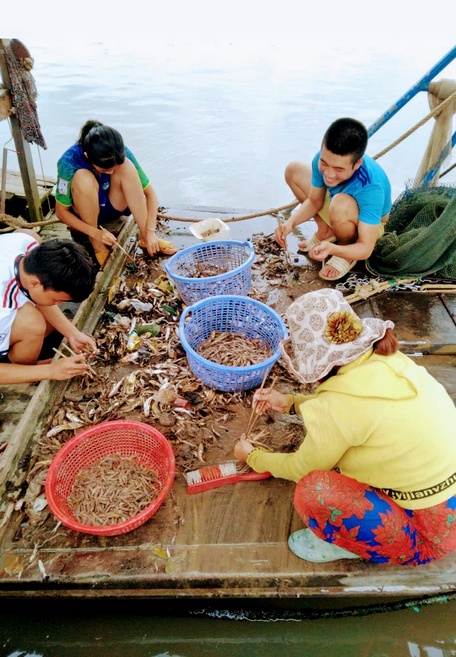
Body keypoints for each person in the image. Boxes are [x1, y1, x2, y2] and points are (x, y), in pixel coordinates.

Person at [234, 289, 456, 566]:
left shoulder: (335, 409)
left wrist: (252, 457)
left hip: (426, 537)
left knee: (313, 490)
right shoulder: (391, 362)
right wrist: (289, 402)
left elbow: (300, 468)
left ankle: (351, 544)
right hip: (449, 502)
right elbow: (355, 411)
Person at [275, 118, 392, 281]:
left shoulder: (372, 186)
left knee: (340, 204)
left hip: (368, 226)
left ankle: (345, 251)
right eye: (324, 163)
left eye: (339, 169)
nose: (329, 174)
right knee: (293, 170)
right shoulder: (321, 159)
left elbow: (366, 248)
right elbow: (314, 201)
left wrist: (332, 249)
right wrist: (290, 223)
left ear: (357, 163)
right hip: (338, 204)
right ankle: (325, 231)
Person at [55, 120, 177, 268]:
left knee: (126, 166)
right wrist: (96, 233)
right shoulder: (69, 162)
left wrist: (150, 231)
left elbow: (150, 194)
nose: (111, 172)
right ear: (87, 156)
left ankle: (145, 237)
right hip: (86, 212)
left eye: (113, 168)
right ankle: (98, 246)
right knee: (83, 178)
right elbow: (61, 212)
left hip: (112, 205)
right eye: (105, 170)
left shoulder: (119, 152)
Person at [0, 229, 97, 385]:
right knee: (33, 323)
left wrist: (72, 333)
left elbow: (41, 298)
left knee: (47, 319)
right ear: (34, 283)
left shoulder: (27, 243)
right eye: (56, 300)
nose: (58, 305)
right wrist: (50, 371)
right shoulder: (2, 308)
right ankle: (20, 369)